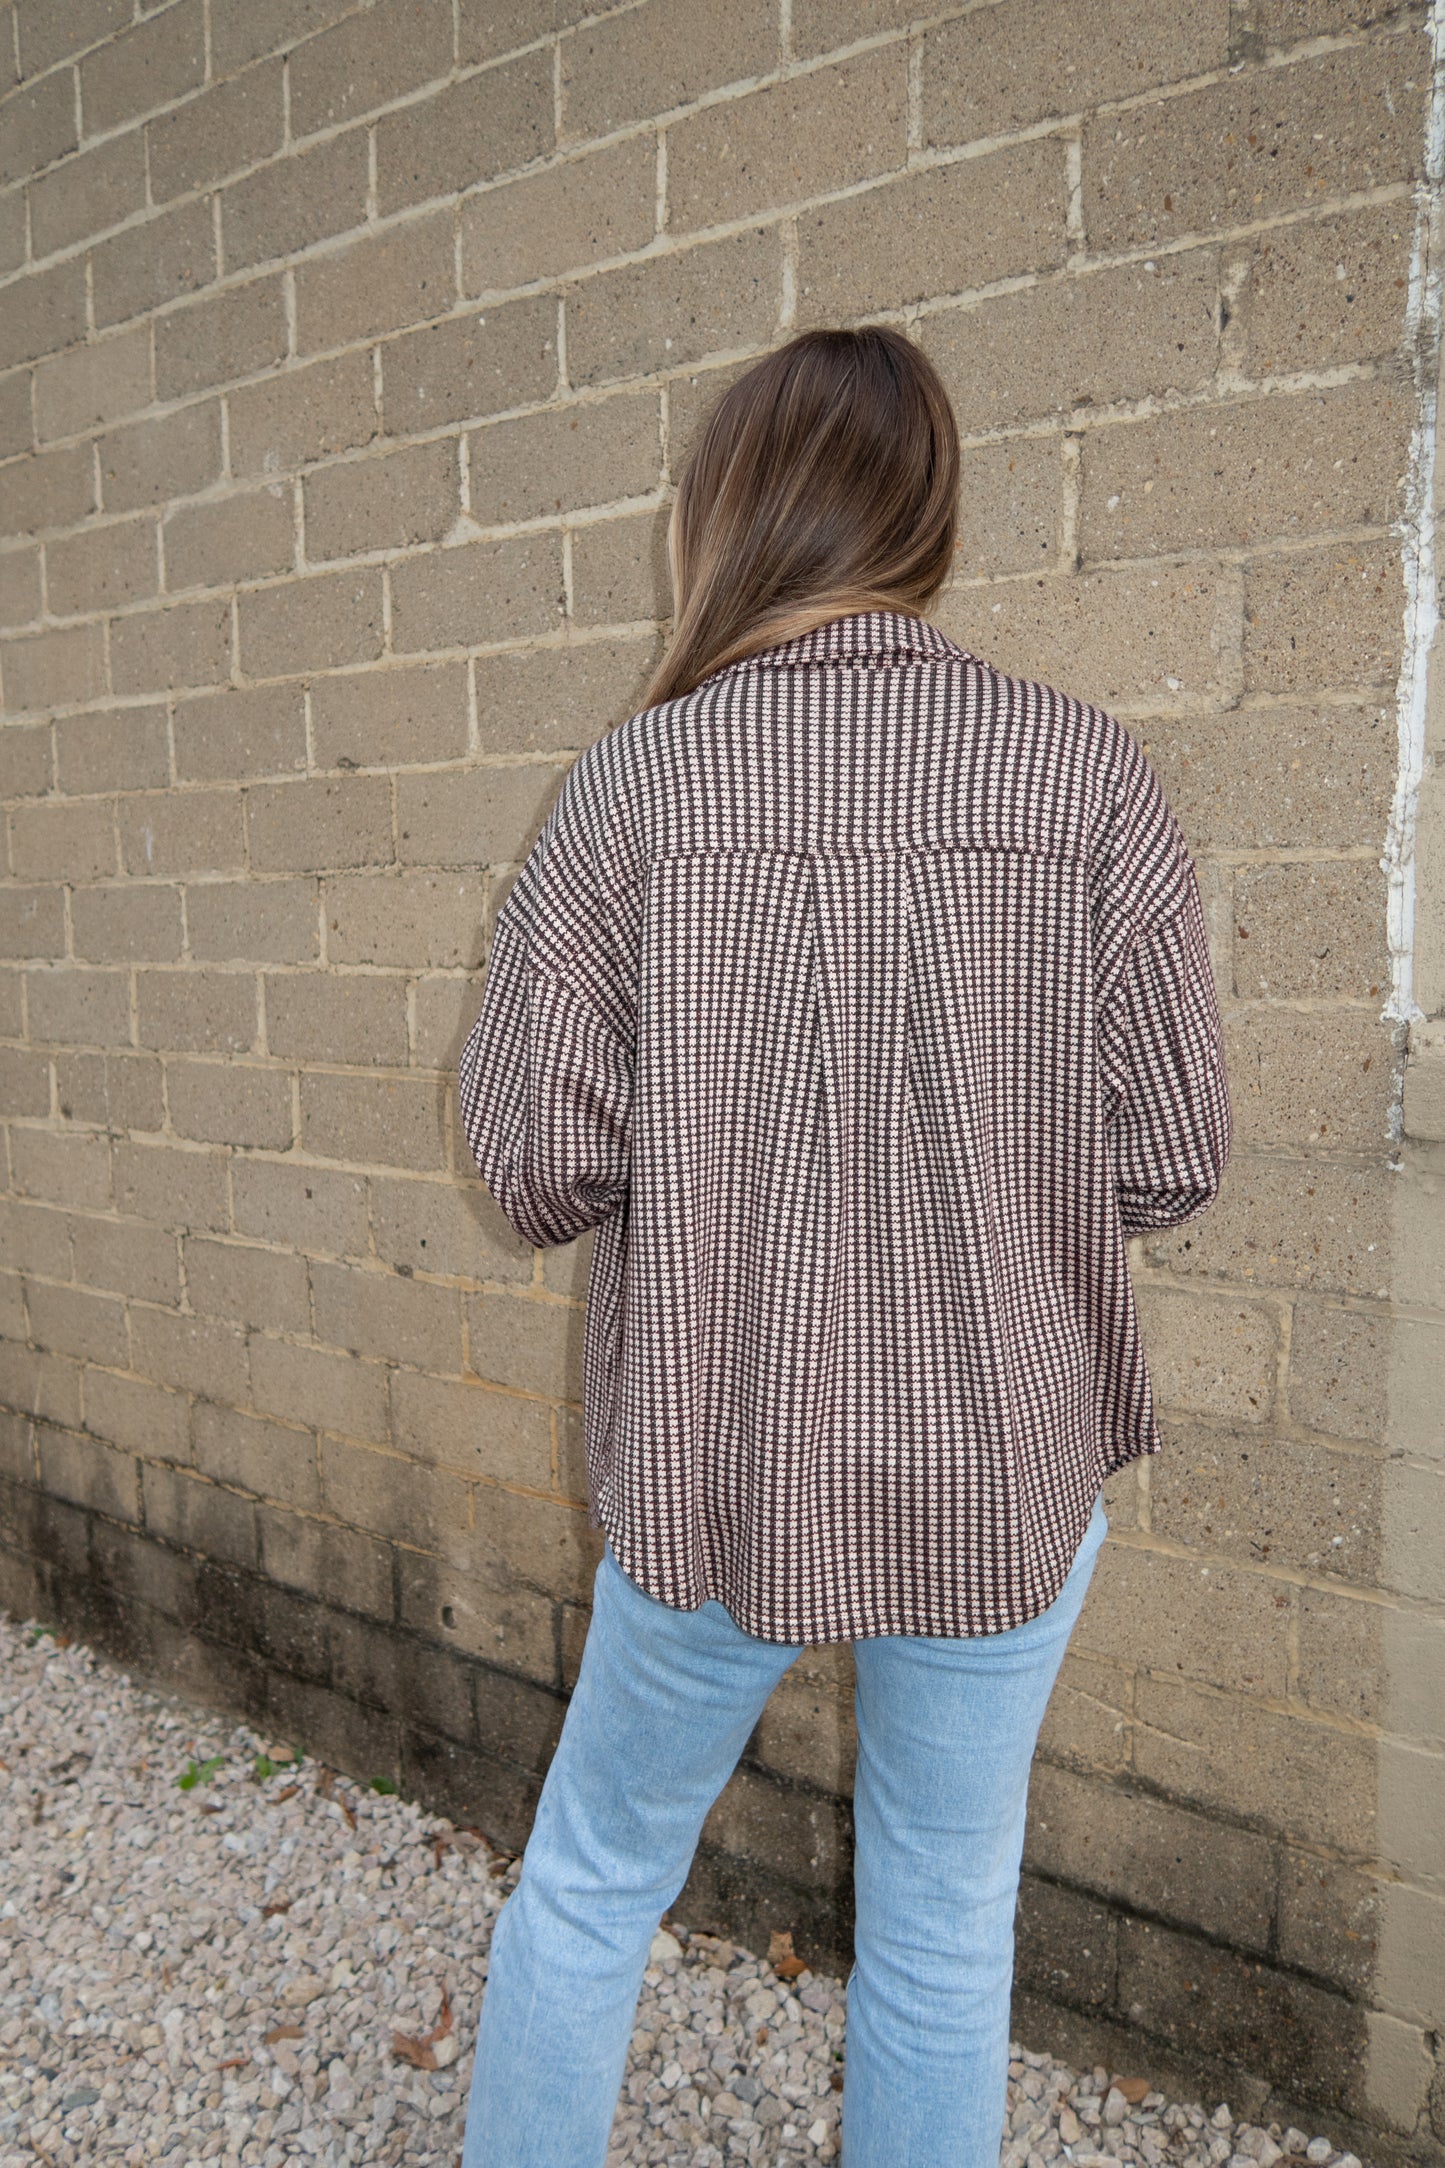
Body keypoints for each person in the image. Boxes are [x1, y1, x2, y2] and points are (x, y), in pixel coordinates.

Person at [454, 324, 1233, 2168]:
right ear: (927, 514)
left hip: (722, 1451)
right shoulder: (1084, 774)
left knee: (592, 1883)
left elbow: (530, 1164)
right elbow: (1178, 1152)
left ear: (730, 518)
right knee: (948, 1926)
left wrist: (720, 1150)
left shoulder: (638, 790)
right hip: (1003, 1456)